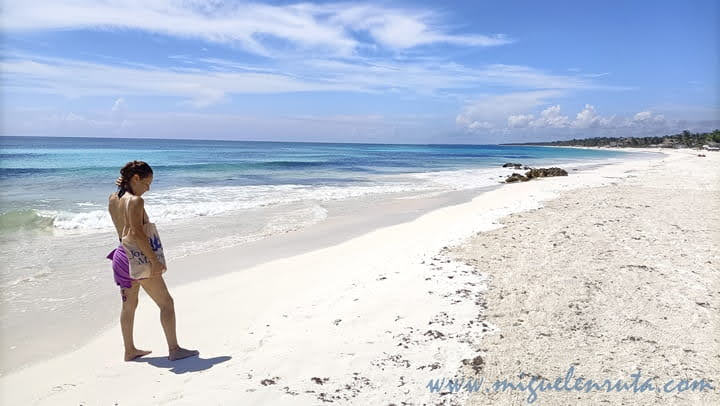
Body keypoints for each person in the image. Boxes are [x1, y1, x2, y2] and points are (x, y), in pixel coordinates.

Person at [107, 160, 198, 361]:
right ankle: (174, 350)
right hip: (138, 258)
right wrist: (154, 261)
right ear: (136, 178)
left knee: (129, 306)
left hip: (120, 256)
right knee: (166, 303)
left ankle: (129, 350)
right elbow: (137, 232)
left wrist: (125, 187)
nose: (148, 189)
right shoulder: (136, 201)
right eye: (147, 184)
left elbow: (126, 227)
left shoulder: (113, 198)